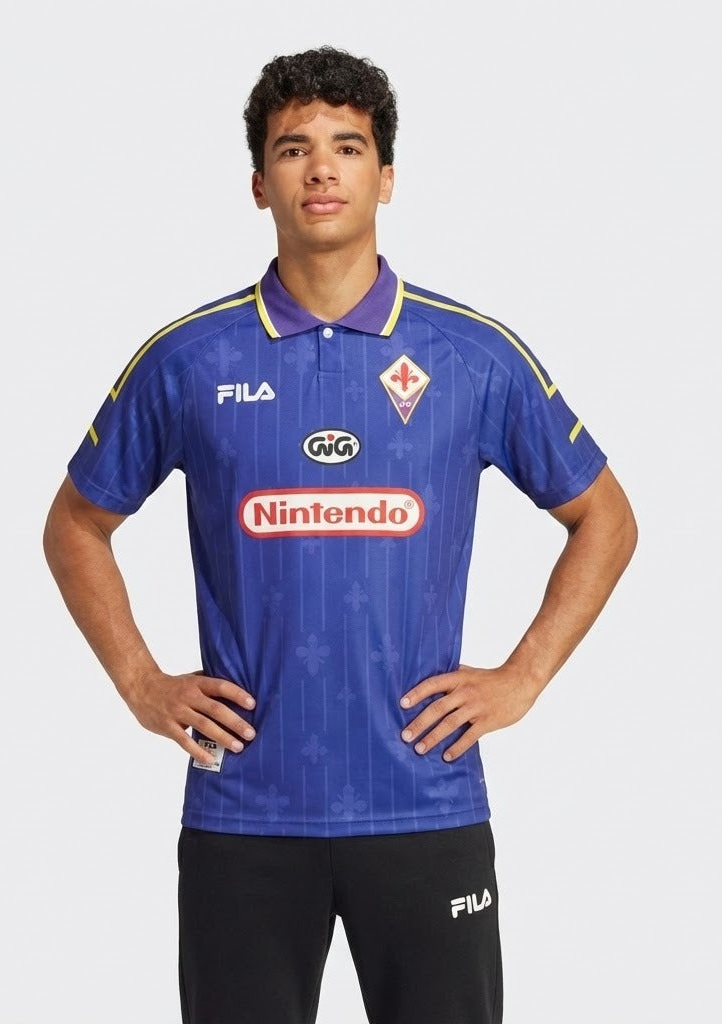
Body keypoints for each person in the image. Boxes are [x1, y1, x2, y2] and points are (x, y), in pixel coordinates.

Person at [43, 45, 637, 1024]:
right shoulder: (189, 359)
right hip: (245, 812)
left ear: (386, 176)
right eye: (293, 149)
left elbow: (604, 517)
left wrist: (523, 675)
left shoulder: (471, 355)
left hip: (424, 805)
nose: (320, 168)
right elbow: (76, 521)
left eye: (347, 146)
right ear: (258, 183)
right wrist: (142, 682)